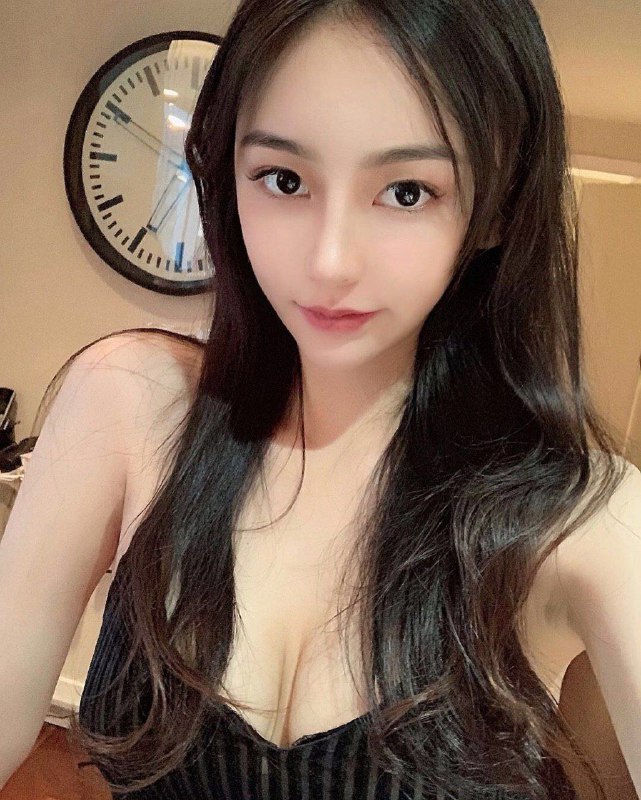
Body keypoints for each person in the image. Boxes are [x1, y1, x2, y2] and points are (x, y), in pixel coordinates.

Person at [1, 0, 640, 798]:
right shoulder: (130, 404)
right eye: (284, 179)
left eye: (406, 191)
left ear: (497, 208)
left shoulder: (582, 520)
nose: (330, 260)